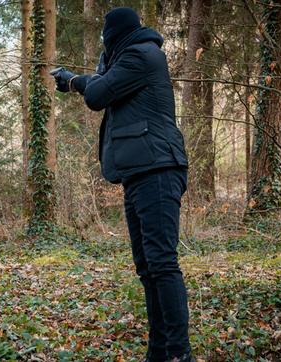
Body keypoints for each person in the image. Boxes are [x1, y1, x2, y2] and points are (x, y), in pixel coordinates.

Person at [51, 7, 193, 362]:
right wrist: (74, 80)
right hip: (140, 172)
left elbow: (98, 94)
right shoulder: (130, 57)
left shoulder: (143, 55)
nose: (103, 43)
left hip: (158, 169)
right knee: (148, 268)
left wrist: (73, 81)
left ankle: (179, 354)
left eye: (104, 37)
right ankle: (159, 352)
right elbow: (102, 85)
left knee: (162, 263)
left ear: (114, 35)